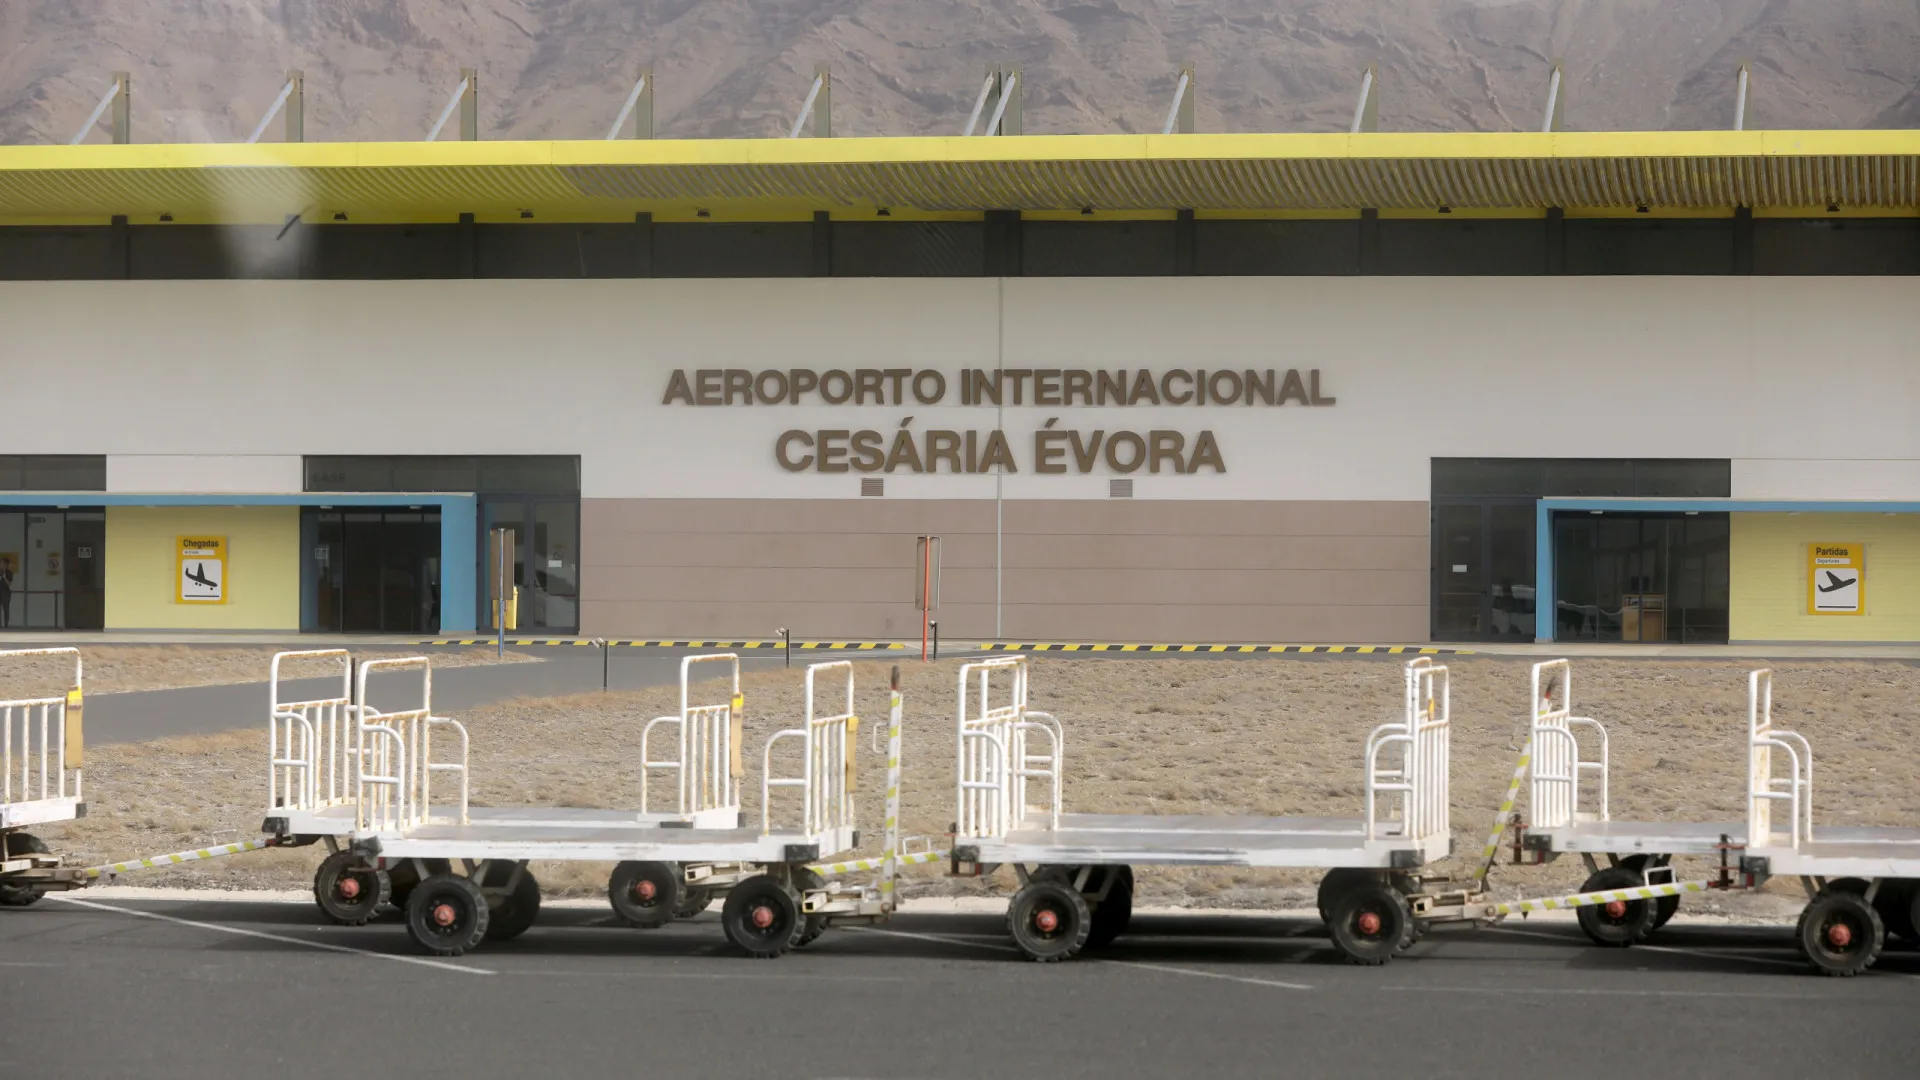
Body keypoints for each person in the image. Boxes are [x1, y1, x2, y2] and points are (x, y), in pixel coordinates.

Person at [0, 559, 12, 629]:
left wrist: (5, 577)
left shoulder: (9, 573)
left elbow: (9, 583)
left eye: (3, 564)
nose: (2, 565)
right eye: (1, 564)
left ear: (6, 565)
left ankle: (6, 625)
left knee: (6, 609)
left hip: (6, 593)